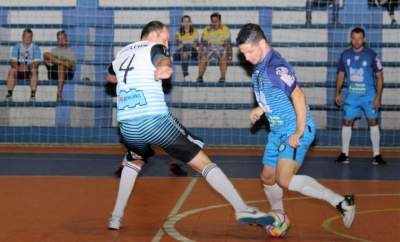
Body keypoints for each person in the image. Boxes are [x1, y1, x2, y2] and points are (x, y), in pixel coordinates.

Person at [107, 21, 275, 230]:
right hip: (154, 120)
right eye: (165, 38)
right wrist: (164, 67)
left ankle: (115, 216)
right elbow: (162, 58)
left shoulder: (122, 52)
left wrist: (130, 81)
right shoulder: (154, 47)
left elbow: (110, 76)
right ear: (152, 35)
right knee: (202, 161)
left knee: (134, 161)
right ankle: (241, 208)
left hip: (127, 125)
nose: (167, 42)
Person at [236, 23, 356, 230]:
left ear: (262, 43)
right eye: (243, 53)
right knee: (267, 177)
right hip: (277, 131)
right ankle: (280, 216)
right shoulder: (259, 67)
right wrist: (261, 108)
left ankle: (342, 202)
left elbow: (297, 95)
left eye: (248, 51)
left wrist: (299, 130)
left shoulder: (275, 67)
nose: (246, 57)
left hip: (294, 129)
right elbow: (274, 95)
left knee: (284, 179)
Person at [105, 64, 188, 177]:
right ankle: (174, 165)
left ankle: (124, 167)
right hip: (149, 106)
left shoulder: (121, 61)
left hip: (130, 106)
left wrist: (120, 79)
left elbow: (110, 78)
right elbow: (165, 79)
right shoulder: (152, 62)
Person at [335, 27, 386, 165]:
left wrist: (378, 97)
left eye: (359, 38)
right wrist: (337, 93)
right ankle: (344, 154)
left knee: (373, 122)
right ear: (350, 39)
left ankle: (377, 155)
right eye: (354, 38)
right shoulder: (345, 55)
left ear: (364, 39)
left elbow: (380, 77)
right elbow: (340, 75)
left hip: (369, 96)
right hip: (352, 96)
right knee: (347, 122)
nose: (357, 41)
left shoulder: (372, 55)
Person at [5, 28, 41, 101]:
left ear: (32, 38)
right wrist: (18, 66)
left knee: (34, 70)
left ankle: (32, 95)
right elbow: (12, 61)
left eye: (30, 37)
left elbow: (37, 62)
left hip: (30, 70)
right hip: (19, 70)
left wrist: (28, 67)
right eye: (26, 36)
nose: (28, 38)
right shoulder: (16, 47)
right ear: (22, 37)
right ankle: (9, 94)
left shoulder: (36, 48)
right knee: (12, 70)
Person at [197, 12, 232, 83]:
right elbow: (202, 44)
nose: (214, 23)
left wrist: (230, 57)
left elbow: (228, 45)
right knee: (203, 57)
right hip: (209, 48)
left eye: (216, 21)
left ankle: (222, 77)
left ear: (220, 21)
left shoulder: (225, 29)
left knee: (223, 57)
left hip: (220, 48)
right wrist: (198, 56)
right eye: (212, 21)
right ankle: (200, 77)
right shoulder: (207, 29)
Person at [44, 30, 76, 101]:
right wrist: (62, 62)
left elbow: (71, 65)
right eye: (59, 39)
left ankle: (59, 94)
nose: (61, 40)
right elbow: (47, 58)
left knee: (61, 66)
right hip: (54, 73)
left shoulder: (71, 51)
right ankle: (61, 63)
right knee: (45, 54)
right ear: (57, 40)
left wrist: (58, 62)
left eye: (63, 38)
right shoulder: (54, 50)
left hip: (67, 74)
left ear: (66, 38)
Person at [175, 15, 199, 82]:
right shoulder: (178, 31)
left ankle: (186, 76)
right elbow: (179, 45)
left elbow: (194, 45)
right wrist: (187, 44)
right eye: (184, 21)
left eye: (188, 21)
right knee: (184, 54)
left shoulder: (195, 31)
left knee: (187, 48)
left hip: (192, 51)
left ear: (190, 22)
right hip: (183, 51)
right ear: (182, 23)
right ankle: (186, 75)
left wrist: (185, 44)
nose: (186, 23)